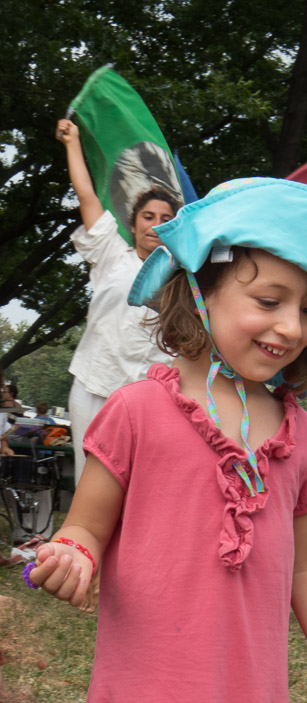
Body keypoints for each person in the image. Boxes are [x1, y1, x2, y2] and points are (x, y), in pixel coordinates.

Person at [25, 178, 307, 703]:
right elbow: (88, 524)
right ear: (200, 292)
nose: (292, 326)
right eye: (269, 299)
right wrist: (74, 551)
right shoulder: (137, 411)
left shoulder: (304, 441)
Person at [56, 118, 182, 484]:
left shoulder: (185, 280)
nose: (154, 224)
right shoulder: (112, 253)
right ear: (134, 221)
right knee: (89, 482)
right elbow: (87, 196)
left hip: (147, 400)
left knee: (136, 486)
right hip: (94, 387)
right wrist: (72, 142)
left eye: (164, 218)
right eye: (148, 216)